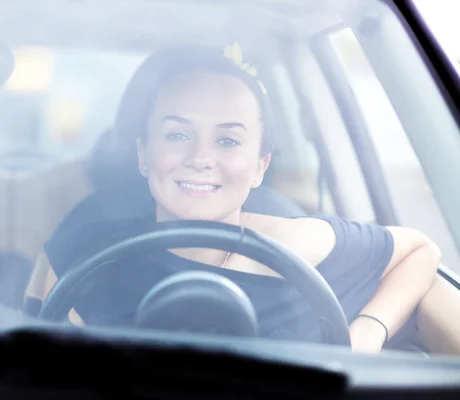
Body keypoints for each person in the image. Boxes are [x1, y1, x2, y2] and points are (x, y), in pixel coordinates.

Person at [28, 45, 440, 353]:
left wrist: (367, 332)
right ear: (143, 154)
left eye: (227, 140)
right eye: (177, 135)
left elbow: (420, 250)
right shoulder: (81, 255)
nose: (201, 159)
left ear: (261, 166)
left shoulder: (301, 245)